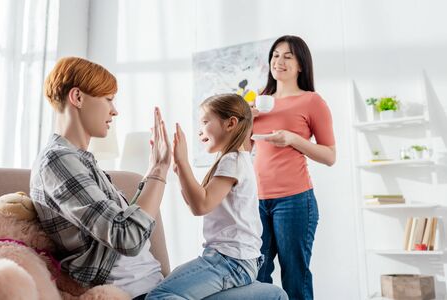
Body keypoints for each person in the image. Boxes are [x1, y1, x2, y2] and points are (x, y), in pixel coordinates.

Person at [30, 57, 287, 300]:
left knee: (275, 295)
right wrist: (160, 171)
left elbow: (131, 222)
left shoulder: (83, 161)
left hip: (158, 284)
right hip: (142, 294)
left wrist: (158, 166)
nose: (114, 110)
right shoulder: (58, 160)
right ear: (77, 97)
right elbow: (126, 235)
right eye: (108, 99)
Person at [147, 94, 287, 300]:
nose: (199, 130)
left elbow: (201, 205)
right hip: (240, 261)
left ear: (230, 123)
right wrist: (178, 168)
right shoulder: (237, 159)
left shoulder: (232, 160)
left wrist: (183, 161)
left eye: (205, 122)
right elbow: (196, 204)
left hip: (229, 261)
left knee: (159, 296)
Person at [251, 35, 336, 300]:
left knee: (295, 277)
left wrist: (293, 139)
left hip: (295, 200)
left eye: (288, 56)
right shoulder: (258, 100)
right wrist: (245, 121)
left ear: (301, 65)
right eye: (276, 55)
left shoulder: (312, 101)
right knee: (256, 277)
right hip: (256, 200)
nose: (279, 61)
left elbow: (330, 156)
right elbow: (243, 149)